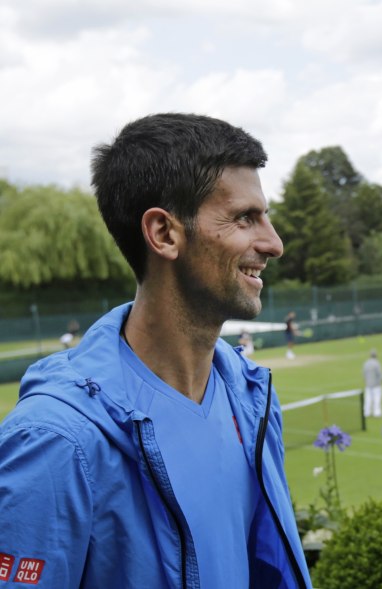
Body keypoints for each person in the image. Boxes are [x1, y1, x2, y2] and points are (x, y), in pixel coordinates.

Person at [0, 114, 310, 588]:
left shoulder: (252, 398)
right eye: (245, 218)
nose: (274, 243)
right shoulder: (56, 440)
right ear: (164, 233)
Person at [363, 348, 382, 418]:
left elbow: (364, 373)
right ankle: (377, 412)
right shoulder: (377, 363)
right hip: (376, 385)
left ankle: (367, 412)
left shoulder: (366, 363)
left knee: (368, 399)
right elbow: (380, 374)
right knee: (377, 399)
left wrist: (366, 380)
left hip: (368, 384)